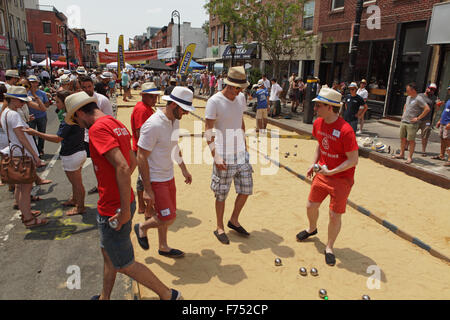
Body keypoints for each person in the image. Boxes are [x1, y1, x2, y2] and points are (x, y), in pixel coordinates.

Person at [64, 91, 182, 301]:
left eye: (75, 118)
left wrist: (123, 209)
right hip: (119, 201)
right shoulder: (113, 123)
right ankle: (104, 297)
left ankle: (168, 294)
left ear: (81, 112)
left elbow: (122, 166)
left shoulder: (97, 129)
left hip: (113, 207)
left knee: (125, 263)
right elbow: (132, 160)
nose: (77, 123)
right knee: (109, 256)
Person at [296, 86, 359, 266]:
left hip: (341, 179)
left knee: (334, 215)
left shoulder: (346, 130)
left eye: (319, 106)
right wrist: (313, 163)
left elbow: (353, 160)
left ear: (330, 107)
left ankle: (329, 246)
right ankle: (312, 228)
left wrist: (331, 171)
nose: (315, 109)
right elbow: (320, 146)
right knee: (310, 206)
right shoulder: (318, 124)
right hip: (323, 173)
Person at [134, 87, 193, 258]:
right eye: (184, 109)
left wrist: (184, 169)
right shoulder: (153, 124)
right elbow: (141, 156)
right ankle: (142, 228)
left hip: (168, 175)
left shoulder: (175, 120)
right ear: (174, 104)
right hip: (155, 179)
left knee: (165, 214)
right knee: (168, 217)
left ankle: (163, 246)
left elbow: (174, 147)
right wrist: (147, 188)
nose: (187, 113)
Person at [205, 66, 253, 245]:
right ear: (230, 85)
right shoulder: (214, 101)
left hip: (241, 153)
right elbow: (208, 130)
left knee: (246, 189)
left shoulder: (240, 98)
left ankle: (233, 220)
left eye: (241, 88)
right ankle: (219, 227)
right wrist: (215, 156)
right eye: (237, 88)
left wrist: (245, 145)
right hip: (223, 153)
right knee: (221, 194)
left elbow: (240, 121)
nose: (240, 92)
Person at [23, 90, 87, 216]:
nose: (55, 104)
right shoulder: (73, 114)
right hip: (78, 151)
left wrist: (35, 133)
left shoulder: (68, 119)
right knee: (76, 182)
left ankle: (80, 207)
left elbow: (57, 139)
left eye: (57, 101)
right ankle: (75, 200)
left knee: (77, 183)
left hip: (72, 154)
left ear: (65, 102)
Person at [0, 86, 48, 228]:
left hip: (15, 153)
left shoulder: (6, 113)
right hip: (22, 155)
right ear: (13, 100)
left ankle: (25, 213)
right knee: (25, 189)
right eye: (21, 101)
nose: (23, 104)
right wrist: (35, 155)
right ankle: (28, 218)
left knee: (20, 187)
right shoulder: (13, 114)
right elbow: (22, 137)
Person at [79, 75, 113, 194]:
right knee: (96, 164)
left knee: (106, 164)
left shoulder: (102, 100)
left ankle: (108, 185)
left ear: (93, 86)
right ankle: (100, 185)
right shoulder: (79, 101)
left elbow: (110, 119)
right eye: (84, 87)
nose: (87, 89)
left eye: (89, 86)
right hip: (88, 138)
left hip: (102, 138)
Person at [131, 82, 159, 216]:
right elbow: (139, 132)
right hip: (143, 148)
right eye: (151, 97)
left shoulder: (146, 107)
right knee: (144, 176)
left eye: (155, 97)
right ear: (143, 96)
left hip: (144, 147)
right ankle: (143, 205)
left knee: (143, 175)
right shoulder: (142, 109)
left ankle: (143, 204)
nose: (154, 99)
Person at [393, 83, 430, 164]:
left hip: (412, 123)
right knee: (402, 138)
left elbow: (427, 109)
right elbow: (406, 105)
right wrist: (403, 114)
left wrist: (418, 118)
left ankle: (410, 157)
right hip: (404, 121)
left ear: (413, 90)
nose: (406, 92)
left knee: (411, 140)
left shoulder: (419, 98)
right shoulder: (408, 97)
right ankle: (402, 154)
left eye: (408, 90)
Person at [27, 75, 50, 157]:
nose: (32, 84)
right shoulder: (26, 93)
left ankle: (40, 149)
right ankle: (35, 149)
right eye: (30, 82)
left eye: (33, 82)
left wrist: (39, 104)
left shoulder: (42, 93)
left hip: (41, 116)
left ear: (37, 83)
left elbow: (47, 104)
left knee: (41, 133)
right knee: (31, 134)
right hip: (30, 116)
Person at [418, 83, 439, 156]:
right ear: (427, 88)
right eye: (430, 89)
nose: (431, 91)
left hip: (427, 120)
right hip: (417, 118)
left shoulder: (434, 98)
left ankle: (423, 151)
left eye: (433, 90)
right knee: (411, 133)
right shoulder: (420, 96)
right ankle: (406, 147)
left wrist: (437, 105)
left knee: (425, 135)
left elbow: (436, 109)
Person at [433, 85, 450, 166]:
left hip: (448, 123)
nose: (449, 91)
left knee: (448, 140)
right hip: (443, 122)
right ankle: (441, 155)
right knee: (442, 139)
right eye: (449, 90)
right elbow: (445, 112)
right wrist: (440, 120)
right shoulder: (448, 100)